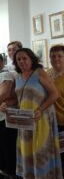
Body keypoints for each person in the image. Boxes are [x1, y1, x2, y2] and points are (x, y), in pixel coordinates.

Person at [5, 48, 62, 178]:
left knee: (41, 150)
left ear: (31, 59)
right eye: (18, 59)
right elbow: (17, 98)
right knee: (28, 151)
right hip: (24, 121)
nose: (21, 61)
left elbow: (55, 94)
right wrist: (6, 104)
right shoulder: (17, 77)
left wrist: (40, 109)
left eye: (24, 58)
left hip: (41, 118)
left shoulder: (39, 72)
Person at [48, 44, 64, 170]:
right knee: (55, 154)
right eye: (53, 56)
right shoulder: (46, 74)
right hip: (49, 121)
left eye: (60, 56)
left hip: (62, 121)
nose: (56, 59)